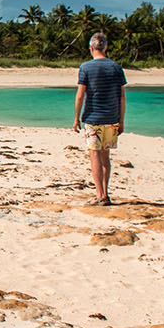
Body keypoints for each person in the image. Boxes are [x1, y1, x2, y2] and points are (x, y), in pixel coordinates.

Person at [73, 31, 126, 205]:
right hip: (111, 118)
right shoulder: (116, 68)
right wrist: (121, 120)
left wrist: (76, 118)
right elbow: (122, 97)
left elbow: (80, 95)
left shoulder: (86, 67)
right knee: (105, 156)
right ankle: (106, 193)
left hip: (93, 118)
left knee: (94, 155)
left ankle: (100, 194)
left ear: (91, 48)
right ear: (106, 47)